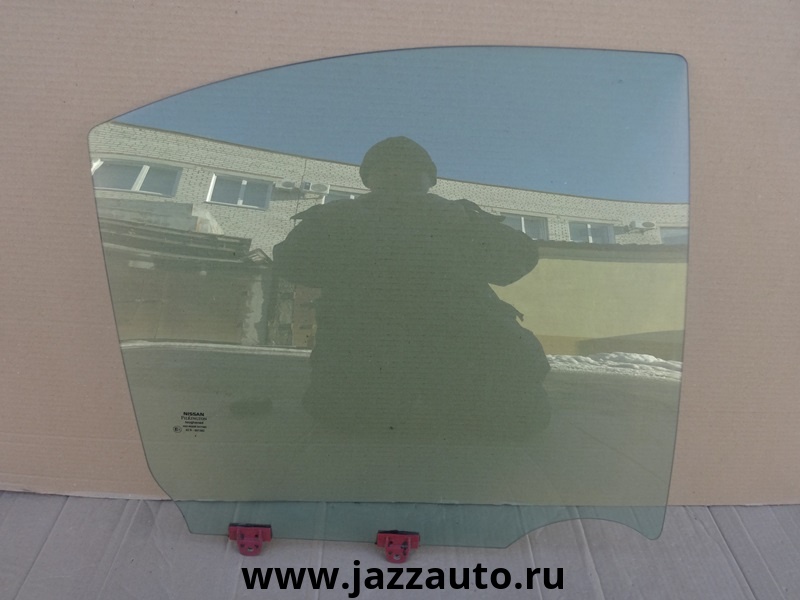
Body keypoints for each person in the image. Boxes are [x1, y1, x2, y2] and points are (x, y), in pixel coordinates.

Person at [273, 137, 550, 437]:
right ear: (370, 179)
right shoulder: (340, 217)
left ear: (428, 179)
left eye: (407, 169)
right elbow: (293, 263)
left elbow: (516, 261)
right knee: (351, 413)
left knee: (515, 412)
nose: (398, 175)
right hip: (371, 348)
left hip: (455, 346)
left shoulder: (455, 217)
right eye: (389, 169)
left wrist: (469, 227)